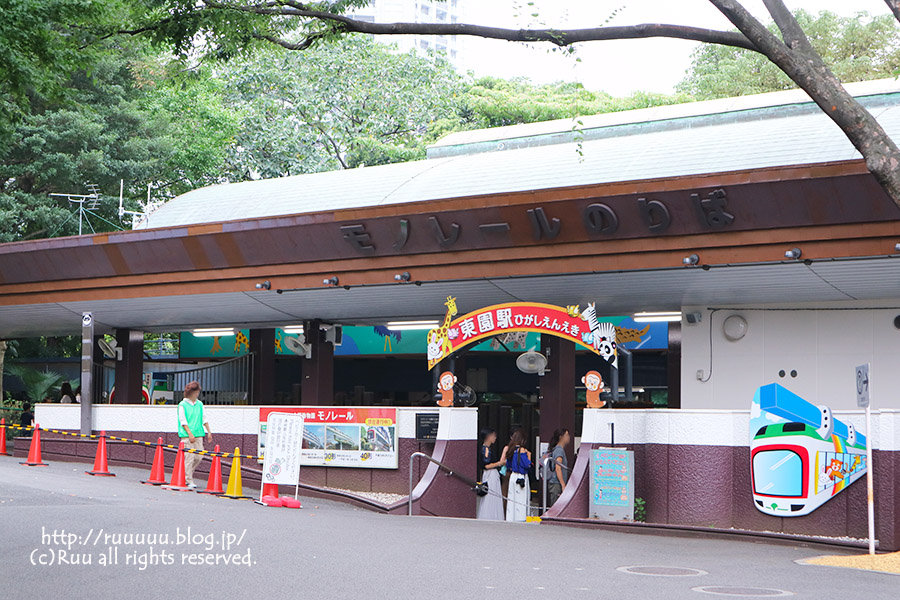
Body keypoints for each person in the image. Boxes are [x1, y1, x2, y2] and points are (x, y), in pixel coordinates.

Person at [177, 381, 212, 489]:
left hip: (198, 434)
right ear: (191, 392)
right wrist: (189, 433)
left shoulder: (200, 404)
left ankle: (185, 475)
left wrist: (209, 431)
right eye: (196, 392)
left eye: (198, 392)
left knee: (198, 457)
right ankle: (188, 479)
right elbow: (183, 421)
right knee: (189, 457)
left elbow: (204, 418)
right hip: (187, 435)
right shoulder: (182, 405)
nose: (197, 394)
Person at [502, 427, 532, 522]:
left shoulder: (511, 449)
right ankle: (521, 518)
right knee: (521, 500)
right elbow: (527, 465)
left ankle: (511, 518)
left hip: (513, 476)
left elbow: (508, 464)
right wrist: (529, 456)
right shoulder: (522, 450)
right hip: (521, 476)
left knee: (512, 499)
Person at [476, 428, 505, 520]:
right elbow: (486, 465)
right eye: (493, 435)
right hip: (490, 474)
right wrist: (500, 463)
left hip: (489, 474)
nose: (495, 437)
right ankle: (491, 516)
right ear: (488, 436)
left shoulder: (485, 448)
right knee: (491, 495)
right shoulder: (486, 449)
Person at [546, 428, 571, 507]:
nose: (568, 437)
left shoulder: (556, 449)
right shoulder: (559, 450)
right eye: (566, 435)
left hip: (555, 483)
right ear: (561, 437)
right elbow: (558, 468)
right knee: (556, 507)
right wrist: (563, 485)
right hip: (557, 484)